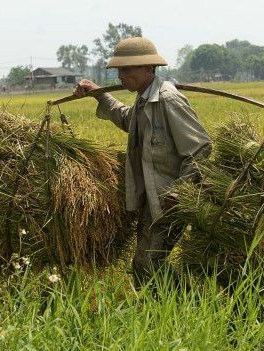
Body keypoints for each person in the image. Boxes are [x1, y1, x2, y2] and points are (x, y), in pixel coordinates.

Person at [74, 37, 212, 290]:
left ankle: (188, 307)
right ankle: (170, 312)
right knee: (144, 263)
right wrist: (99, 95)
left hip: (172, 199)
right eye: (119, 70)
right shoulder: (144, 99)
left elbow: (201, 147)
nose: (120, 75)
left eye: (126, 69)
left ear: (148, 68)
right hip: (154, 196)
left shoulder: (168, 99)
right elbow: (129, 120)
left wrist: (181, 191)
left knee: (148, 262)